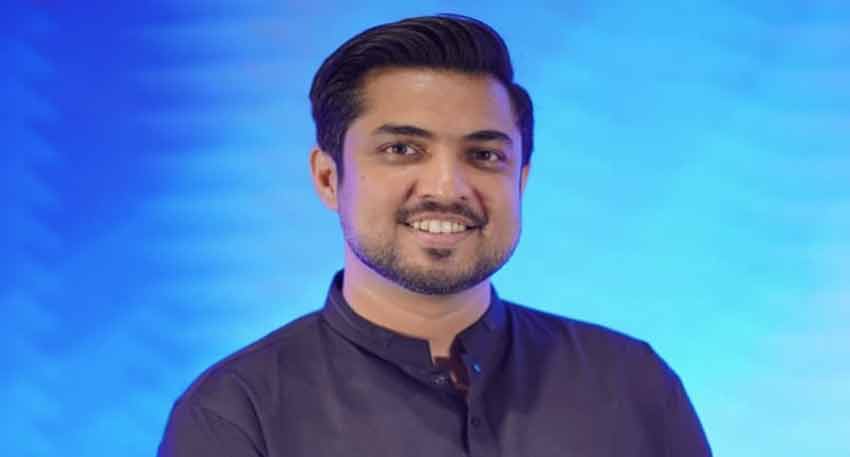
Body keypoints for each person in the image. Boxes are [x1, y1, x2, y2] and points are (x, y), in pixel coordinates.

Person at [158, 14, 712, 457]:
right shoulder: (238, 415)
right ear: (329, 178)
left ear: (521, 180)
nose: (448, 186)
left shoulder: (630, 385)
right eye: (402, 149)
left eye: (484, 155)